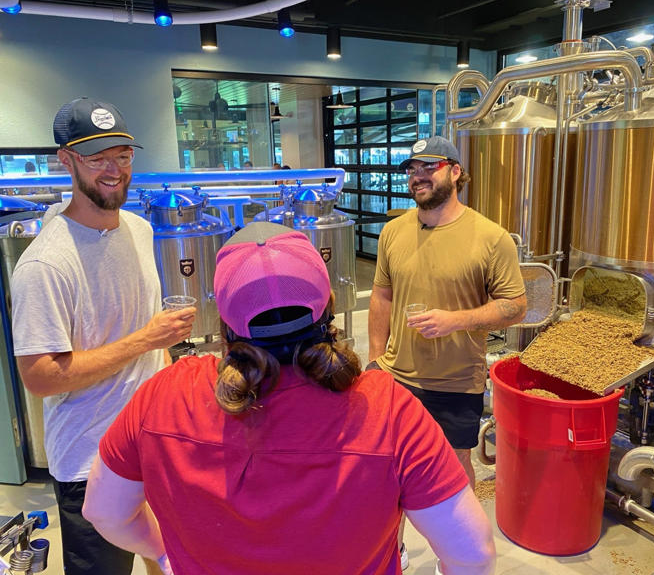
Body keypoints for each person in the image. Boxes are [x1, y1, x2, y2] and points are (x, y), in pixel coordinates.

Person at [82, 221, 496, 575]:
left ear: (223, 324)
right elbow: (473, 553)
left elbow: (103, 512)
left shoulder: (164, 396)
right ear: (330, 305)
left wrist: (160, 552)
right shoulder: (387, 410)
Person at [11, 97, 196, 575]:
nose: (114, 169)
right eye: (97, 158)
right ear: (65, 160)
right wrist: (147, 339)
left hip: (154, 439)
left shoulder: (138, 229)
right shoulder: (45, 264)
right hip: (90, 459)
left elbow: (141, 327)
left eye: (124, 155)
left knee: (167, 556)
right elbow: (41, 377)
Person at [368, 136, 527, 570]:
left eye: (428, 166)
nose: (417, 175)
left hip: (456, 380)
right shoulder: (393, 230)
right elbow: (381, 295)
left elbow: (515, 306)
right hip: (397, 377)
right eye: (410, 169)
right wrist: (377, 359)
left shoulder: (490, 237)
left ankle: (455, 558)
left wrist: (454, 320)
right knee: (388, 472)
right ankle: (391, 553)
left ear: (455, 171)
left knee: (455, 471)